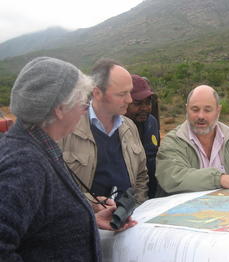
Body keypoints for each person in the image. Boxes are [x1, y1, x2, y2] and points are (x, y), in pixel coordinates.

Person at [0, 57, 135, 261]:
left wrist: (88, 220)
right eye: (82, 101)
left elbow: (43, 227)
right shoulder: (25, 163)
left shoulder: (37, 147)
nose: (85, 108)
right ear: (60, 109)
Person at [60, 59, 149, 207]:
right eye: (122, 94)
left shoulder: (130, 127)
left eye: (130, 92)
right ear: (97, 93)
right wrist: (92, 206)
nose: (129, 99)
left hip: (129, 221)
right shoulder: (67, 130)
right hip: (88, 223)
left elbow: (141, 175)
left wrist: (137, 207)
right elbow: (55, 189)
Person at [125, 74, 160, 198]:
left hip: (152, 194)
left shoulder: (152, 122)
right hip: (128, 198)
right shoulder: (117, 129)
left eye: (148, 102)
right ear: (125, 102)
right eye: (138, 103)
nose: (145, 108)